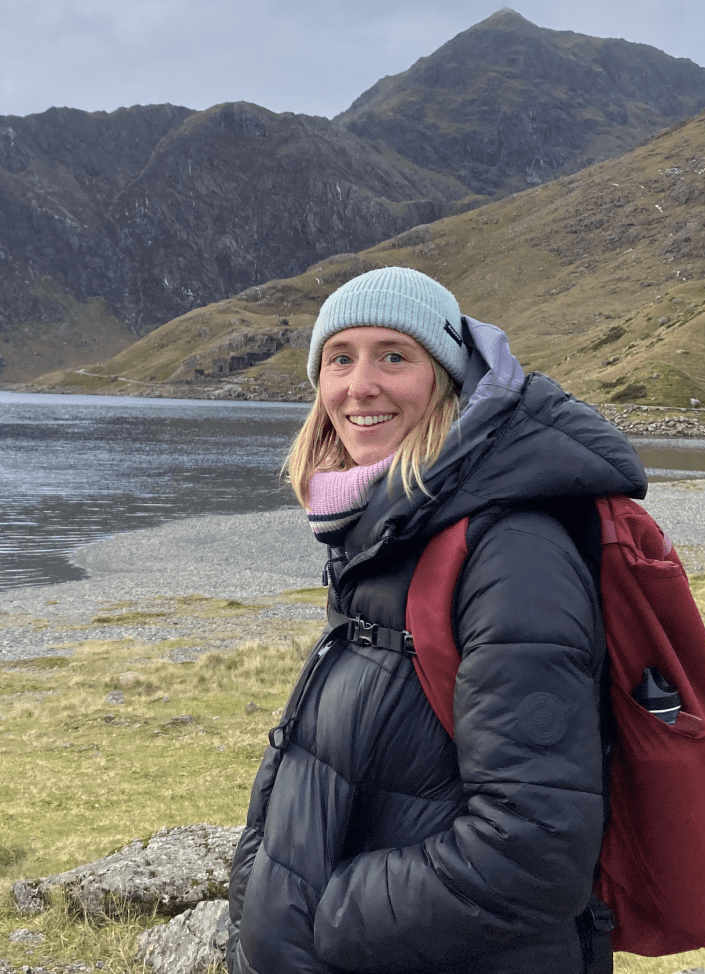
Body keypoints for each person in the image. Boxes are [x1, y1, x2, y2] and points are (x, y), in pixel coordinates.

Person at [227, 266, 647, 974]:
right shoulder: (383, 535)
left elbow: (533, 848)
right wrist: (259, 893)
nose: (360, 386)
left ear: (446, 380)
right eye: (340, 358)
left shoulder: (512, 553)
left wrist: (319, 917)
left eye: (394, 356)